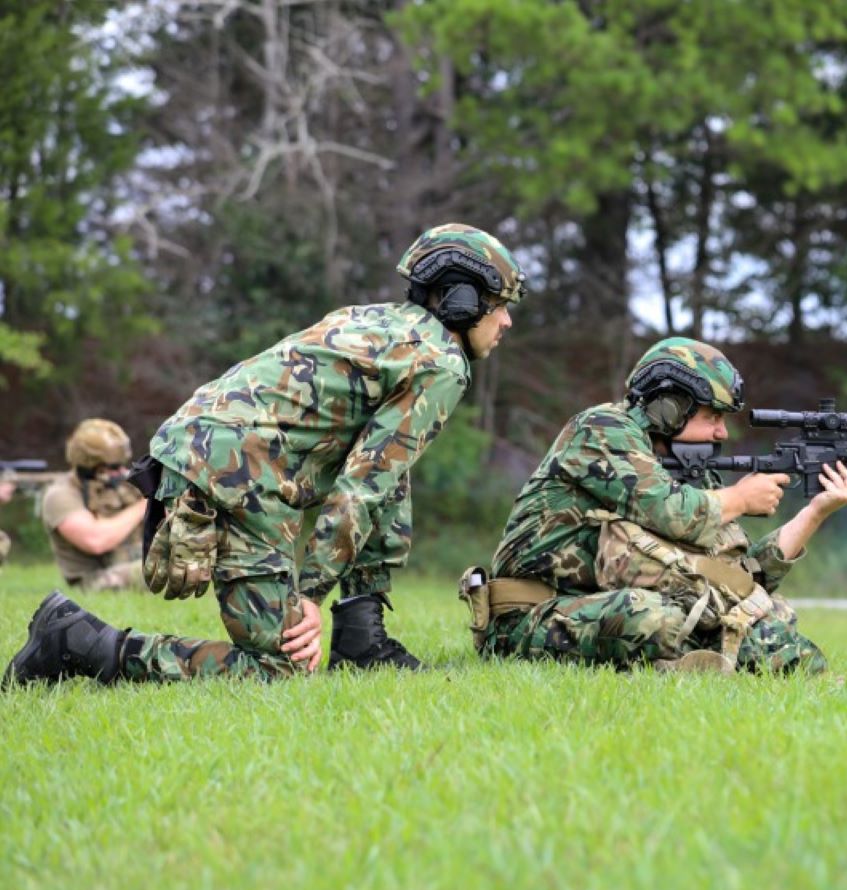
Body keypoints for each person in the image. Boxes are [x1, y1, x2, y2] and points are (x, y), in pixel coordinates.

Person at [4, 223, 527, 687]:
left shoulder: (377, 323)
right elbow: (359, 489)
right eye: (499, 305)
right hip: (236, 474)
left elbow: (381, 477)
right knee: (281, 667)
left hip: (214, 453)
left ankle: (362, 641)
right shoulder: (440, 361)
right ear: (462, 299)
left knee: (395, 475)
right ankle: (81, 643)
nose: (505, 323)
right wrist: (311, 596)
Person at [461, 337, 847, 675]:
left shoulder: (686, 469)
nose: (722, 431)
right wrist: (738, 498)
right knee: (657, 615)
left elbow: (737, 578)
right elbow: (672, 512)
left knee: (752, 614)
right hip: (528, 618)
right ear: (669, 408)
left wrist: (815, 512)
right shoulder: (602, 430)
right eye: (712, 416)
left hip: (596, 611)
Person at [38, 419, 147, 591]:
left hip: (133, 565)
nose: (121, 472)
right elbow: (96, 541)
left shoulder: (119, 484)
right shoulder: (60, 494)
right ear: (90, 466)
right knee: (166, 570)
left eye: (121, 465)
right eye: (112, 467)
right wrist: (146, 504)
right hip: (95, 582)